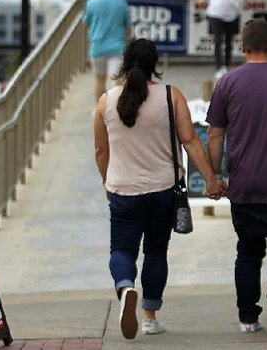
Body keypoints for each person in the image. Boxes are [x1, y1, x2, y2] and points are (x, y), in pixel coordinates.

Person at [93, 38, 225, 339]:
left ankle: (126, 287)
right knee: (155, 252)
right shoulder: (170, 96)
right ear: (157, 65)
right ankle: (150, 316)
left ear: (125, 65)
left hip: (123, 192)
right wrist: (211, 179)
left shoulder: (106, 101)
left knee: (122, 250)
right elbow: (190, 140)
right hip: (162, 191)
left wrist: (107, 181)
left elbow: (101, 152)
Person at [205, 18, 267, 340]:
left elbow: (214, 135)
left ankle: (248, 317)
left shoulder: (228, 83)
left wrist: (216, 175)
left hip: (244, 186)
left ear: (241, 47)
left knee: (248, 251)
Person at [198, 0, 248, 81]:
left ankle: (226, 65)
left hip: (231, 12)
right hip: (215, 12)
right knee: (218, 39)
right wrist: (202, 2)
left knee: (228, 41)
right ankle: (218, 67)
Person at [83, 0, 131, 101]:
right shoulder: (121, 3)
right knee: (116, 82)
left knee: (99, 80)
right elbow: (128, 28)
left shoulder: (91, 3)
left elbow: (86, 24)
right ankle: (116, 111)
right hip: (117, 48)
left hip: (97, 47)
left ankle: (100, 111)